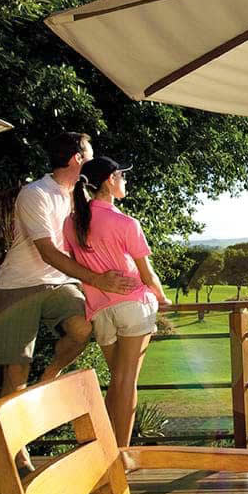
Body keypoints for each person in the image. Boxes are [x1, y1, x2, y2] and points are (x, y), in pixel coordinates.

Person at [0, 132, 136, 467]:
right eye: (89, 153)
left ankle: (49, 376)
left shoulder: (80, 197)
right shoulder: (35, 193)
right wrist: (97, 279)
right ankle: (16, 456)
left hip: (59, 284)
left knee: (83, 328)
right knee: (15, 373)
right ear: (75, 159)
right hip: (18, 287)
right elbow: (49, 252)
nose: (94, 159)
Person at [63, 156, 171, 447]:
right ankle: (119, 456)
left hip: (100, 312)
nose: (126, 180)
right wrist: (162, 297)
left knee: (118, 382)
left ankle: (106, 449)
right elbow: (148, 275)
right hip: (132, 306)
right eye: (122, 175)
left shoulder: (71, 224)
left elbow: (76, 264)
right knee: (125, 382)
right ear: (110, 180)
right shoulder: (125, 223)